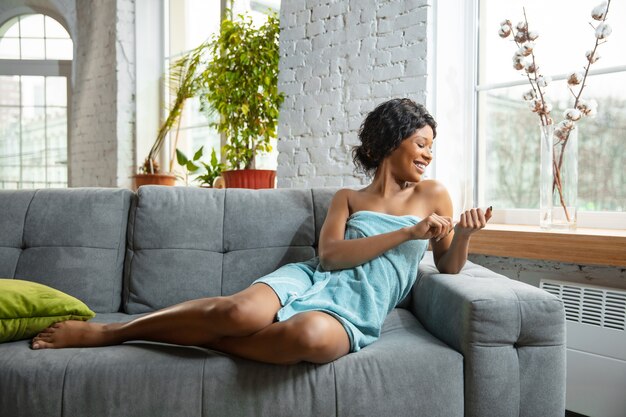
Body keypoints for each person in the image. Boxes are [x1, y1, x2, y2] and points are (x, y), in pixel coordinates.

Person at [31, 98, 491, 365]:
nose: (429, 154)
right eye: (421, 143)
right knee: (236, 312)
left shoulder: (434, 195)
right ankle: (113, 334)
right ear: (392, 142)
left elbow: (448, 263)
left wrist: (464, 235)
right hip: (309, 277)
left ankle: (198, 337)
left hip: (358, 306)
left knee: (310, 338)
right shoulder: (347, 198)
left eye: (432, 146)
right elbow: (330, 256)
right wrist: (407, 234)